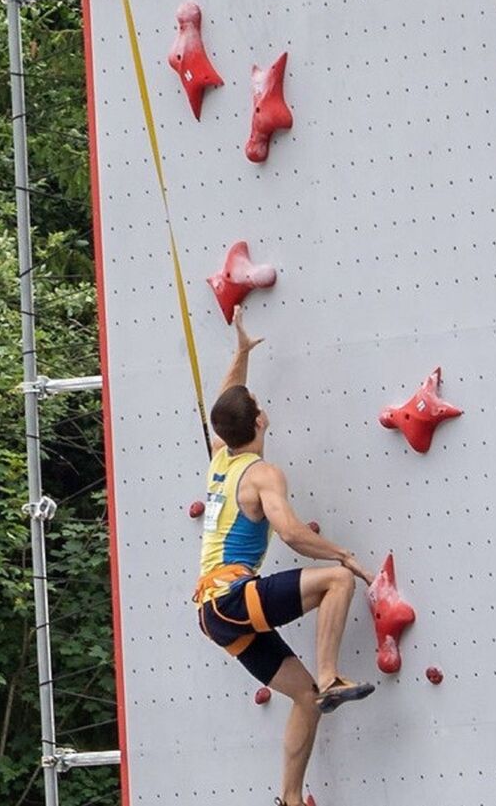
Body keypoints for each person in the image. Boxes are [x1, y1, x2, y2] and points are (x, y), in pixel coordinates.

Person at [193, 305, 376, 806]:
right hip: (230, 597)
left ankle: (289, 800)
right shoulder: (259, 473)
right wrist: (345, 555)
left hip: (214, 613)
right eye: (255, 401)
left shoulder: (220, 457)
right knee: (338, 581)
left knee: (304, 699)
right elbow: (292, 533)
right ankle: (331, 673)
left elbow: (226, 403)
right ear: (260, 419)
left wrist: (240, 355)